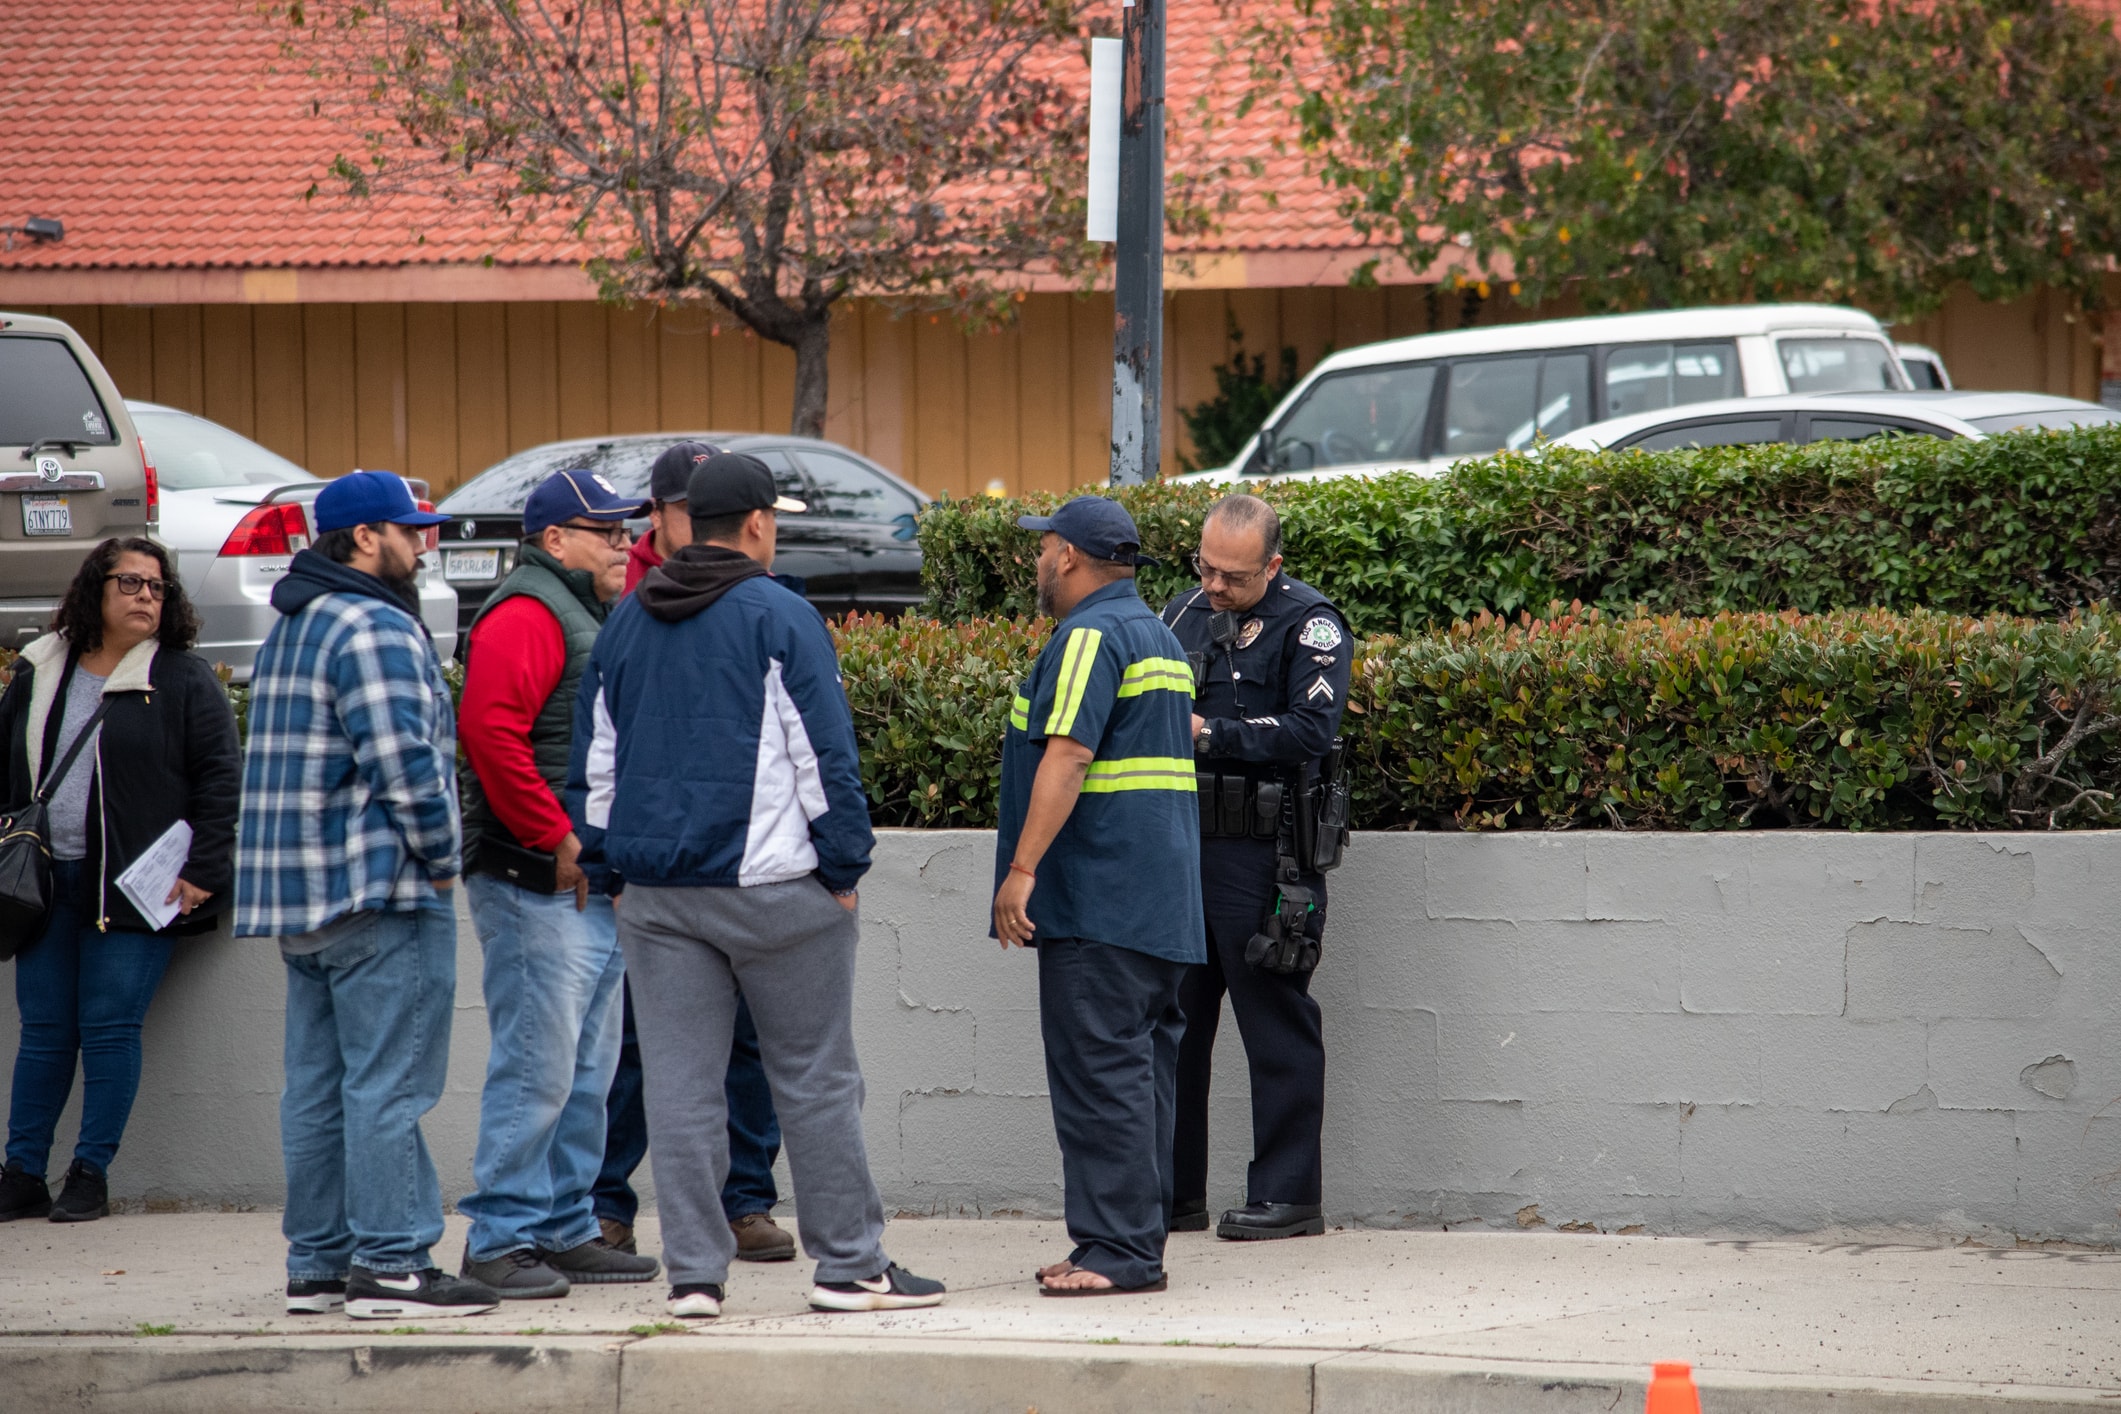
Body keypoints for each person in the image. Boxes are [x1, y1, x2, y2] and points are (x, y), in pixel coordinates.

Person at [571, 451, 943, 1320]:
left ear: (685, 523)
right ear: (757, 525)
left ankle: (694, 1278)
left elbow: (595, 764)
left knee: (678, 1085)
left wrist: (606, 870)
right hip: (773, 891)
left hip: (656, 898)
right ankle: (850, 1267)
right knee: (815, 1079)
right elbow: (824, 759)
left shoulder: (626, 620)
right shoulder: (778, 614)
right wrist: (843, 867)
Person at [236, 471, 499, 1321]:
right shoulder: (376, 623)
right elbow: (407, 765)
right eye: (408, 531)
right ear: (361, 539)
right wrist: (445, 856)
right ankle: (391, 1264)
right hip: (380, 891)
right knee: (389, 1085)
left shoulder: (294, 623)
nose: (422, 546)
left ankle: (316, 1266)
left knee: (315, 1087)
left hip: (300, 902)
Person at [455, 469, 663, 1298]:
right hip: (537, 879)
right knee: (538, 1067)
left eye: (624, 531)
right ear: (554, 540)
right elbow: (489, 732)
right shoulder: (529, 611)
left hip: (587, 883)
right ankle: (499, 1238)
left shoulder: (578, 608)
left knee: (585, 1070)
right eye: (606, 532)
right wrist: (559, 836)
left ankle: (564, 1226)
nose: (624, 545)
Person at [990, 496, 1204, 1296]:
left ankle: (1116, 1253)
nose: (1037, 560)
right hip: (1157, 901)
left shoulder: (1088, 635)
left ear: (1071, 556)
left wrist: (1020, 872)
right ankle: (1123, 1244)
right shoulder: (1156, 634)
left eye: (1042, 546)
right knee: (1140, 1074)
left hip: (1099, 896)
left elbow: (1070, 755)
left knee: (1100, 1077)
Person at [0, 539, 239, 1224]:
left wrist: (203, 871)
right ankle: (21, 1173)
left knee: (109, 1028)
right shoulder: (41, 671)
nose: (146, 597)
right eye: (130, 583)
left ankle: (89, 1173)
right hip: (42, 885)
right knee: (44, 1031)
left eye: (157, 588)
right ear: (94, 593)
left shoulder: (183, 679)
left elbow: (221, 779)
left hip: (135, 891)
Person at [598, 438, 795, 1266]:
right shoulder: (627, 596)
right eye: (689, 507)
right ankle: (608, 1203)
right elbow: (600, 745)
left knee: (751, 1040)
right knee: (643, 1048)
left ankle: (746, 1200)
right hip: (659, 865)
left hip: (742, 857)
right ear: (664, 513)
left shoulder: (762, 595)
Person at [1161, 493, 1349, 1240]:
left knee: (1274, 1024)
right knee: (1174, 1023)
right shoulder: (1182, 611)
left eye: (1232, 577)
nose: (1214, 586)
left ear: (1272, 565)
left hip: (1264, 854)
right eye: (1205, 567)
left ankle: (1287, 1194)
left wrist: (1212, 736)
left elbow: (1310, 728)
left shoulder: (1312, 624)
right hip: (1184, 844)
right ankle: (1173, 1193)